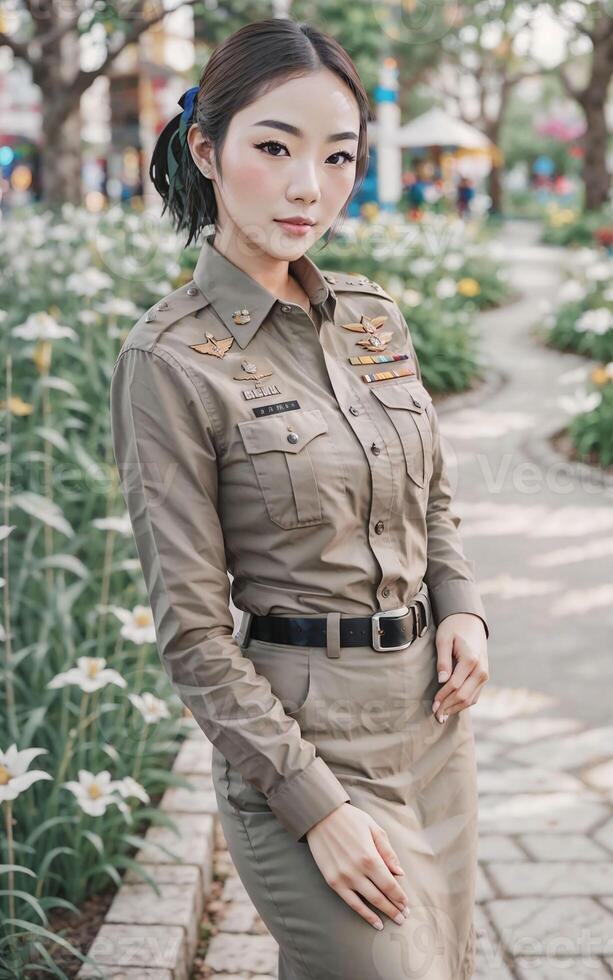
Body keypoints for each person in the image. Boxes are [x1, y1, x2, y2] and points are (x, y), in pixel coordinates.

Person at [109, 18, 490, 980]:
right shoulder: (167, 362)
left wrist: (463, 608)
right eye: (272, 147)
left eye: (336, 156)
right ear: (207, 148)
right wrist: (316, 808)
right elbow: (192, 635)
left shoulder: (372, 318)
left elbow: (429, 493)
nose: (305, 187)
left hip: (430, 728)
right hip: (299, 741)